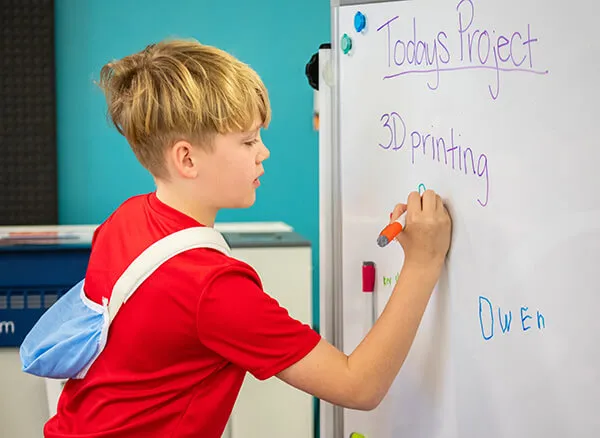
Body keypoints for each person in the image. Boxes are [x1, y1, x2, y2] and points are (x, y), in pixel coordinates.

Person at [43, 38, 452, 438]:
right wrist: (422, 263)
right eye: (248, 141)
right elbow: (358, 385)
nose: (264, 152)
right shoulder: (212, 287)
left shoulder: (124, 220)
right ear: (187, 159)